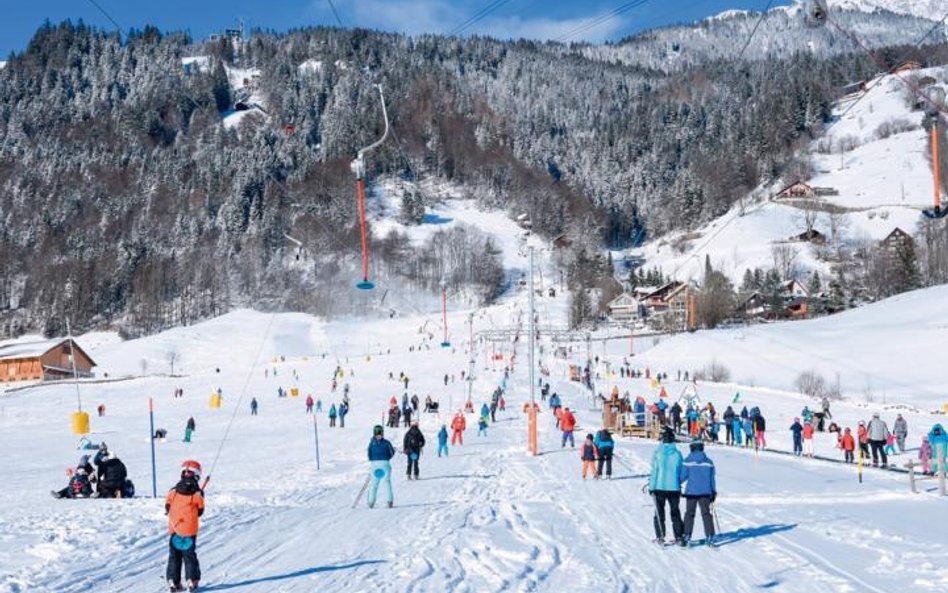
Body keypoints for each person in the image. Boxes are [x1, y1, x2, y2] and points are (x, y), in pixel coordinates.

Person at [165, 459, 205, 592]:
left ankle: (173, 580)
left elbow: (167, 505)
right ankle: (192, 580)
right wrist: (200, 497)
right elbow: (200, 511)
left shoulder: (173, 491)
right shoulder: (196, 493)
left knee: (174, 556)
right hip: (189, 530)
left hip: (174, 528)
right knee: (189, 556)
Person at [649, 428, 684, 545]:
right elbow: (681, 471)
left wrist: (651, 487)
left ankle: (660, 536)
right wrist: (678, 481)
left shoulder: (658, 453)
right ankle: (679, 536)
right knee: (675, 512)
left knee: (659, 512)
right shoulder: (678, 454)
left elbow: (654, 471)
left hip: (659, 487)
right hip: (674, 487)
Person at [681, 439, 716, 546]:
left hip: (691, 492)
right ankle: (710, 536)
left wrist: (676, 484)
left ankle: (687, 536)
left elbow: (682, 477)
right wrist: (713, 491)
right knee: (706, 514)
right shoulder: (709, 462)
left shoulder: (687, 461)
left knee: (689, 514)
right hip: (705, 492)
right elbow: (712, 479)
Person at [367, 425, 395, 508]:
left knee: (374, 484)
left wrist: (374, 460)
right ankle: (389, 501)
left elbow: (369, 455)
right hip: (385, 463)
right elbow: (392, 453)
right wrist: (386, 458)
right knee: (387, 483)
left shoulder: (371, 443)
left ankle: (371, 502)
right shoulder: (386, 442)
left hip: (375, 464)